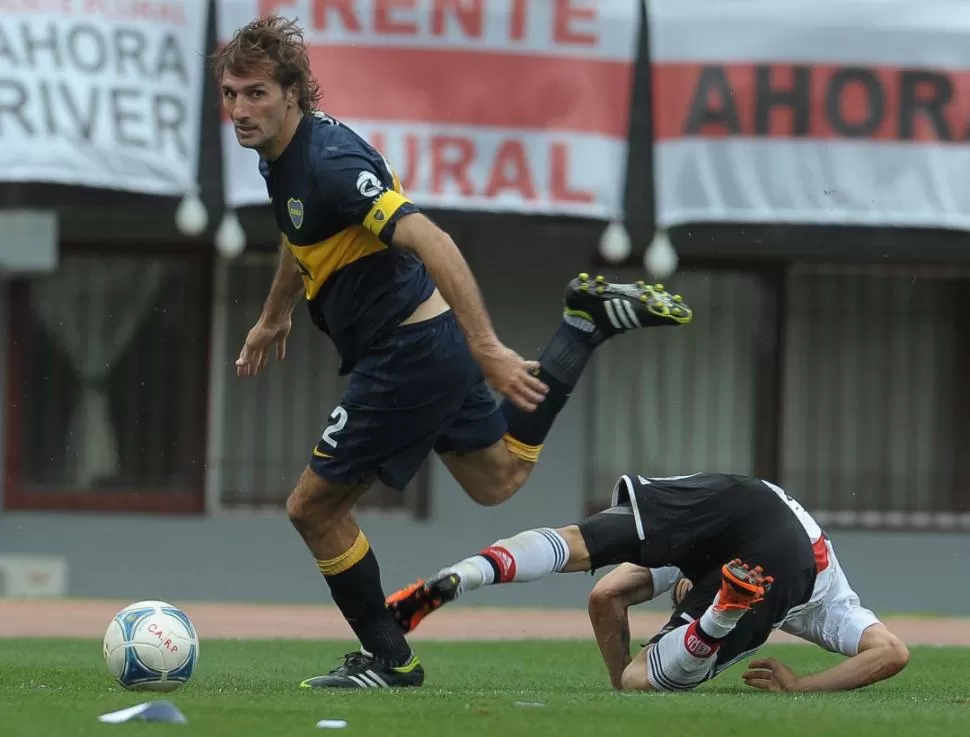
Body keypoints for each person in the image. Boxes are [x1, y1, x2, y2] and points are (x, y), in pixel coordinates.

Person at [212, 16, 693, 690]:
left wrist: (487, 345)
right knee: (498, 478)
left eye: (256, 93)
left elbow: (431, 238)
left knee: (312, 508)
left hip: (404, 352)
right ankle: (581, 330)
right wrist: (273, 316)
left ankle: (390, 659)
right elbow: (302, 235)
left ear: (292, 92)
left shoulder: (329, 164)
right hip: (425, 346)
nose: (239, 109)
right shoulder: (285, 154)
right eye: (230, 94)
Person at [387, 472, 910, 692]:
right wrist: (801, 686)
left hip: (744, 495)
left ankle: (469, 572)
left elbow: (605, 598)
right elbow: (892, 651)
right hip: (784, 558)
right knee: (644, 678)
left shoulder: (825, 597)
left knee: (582, 546)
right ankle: (721, 613)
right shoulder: (833, 601)